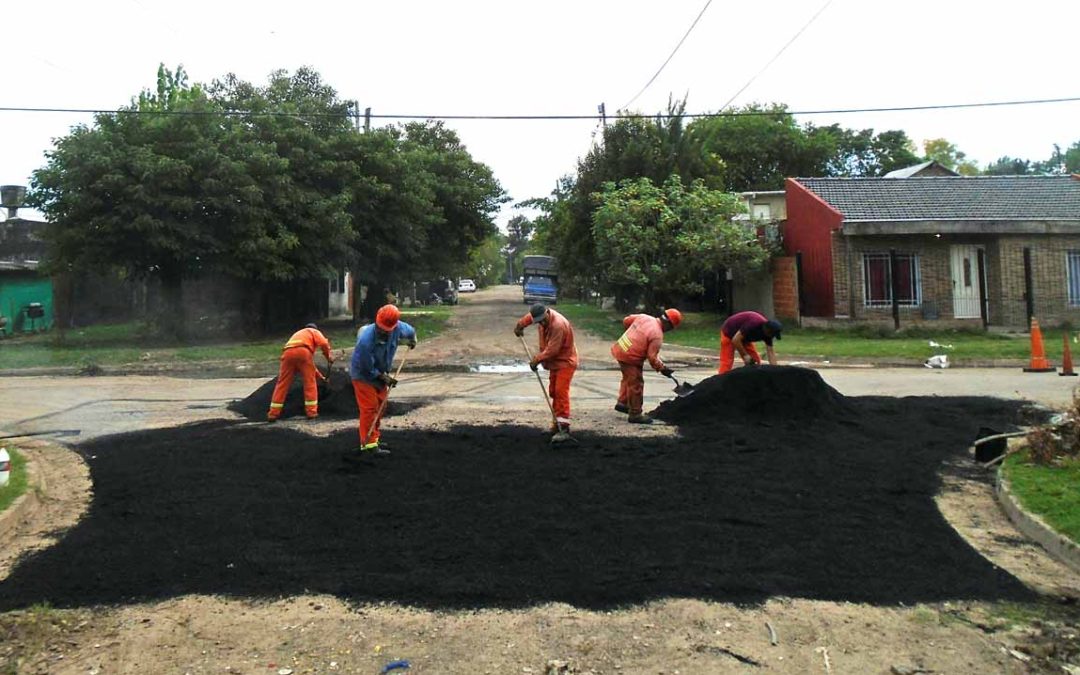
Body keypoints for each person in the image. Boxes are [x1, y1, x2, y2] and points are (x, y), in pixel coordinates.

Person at [350, 304, 416, 455]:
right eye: (380, 328)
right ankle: (368, 446)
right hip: (363, 375)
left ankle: (374, 437)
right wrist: (383, 377)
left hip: (381, 372)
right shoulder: (365, 340)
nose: (382, 331)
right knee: (370, 408)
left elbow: (411, 331)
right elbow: (367, 367)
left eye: (386, 329)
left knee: (381, 407)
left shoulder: (399, 327)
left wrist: (413, 339)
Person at [514, 303, 578, 443]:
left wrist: (536, 360)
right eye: (539, 321)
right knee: (553, 392)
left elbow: (552, 350)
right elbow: (529, 318)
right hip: (555, 363)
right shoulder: (539, 316)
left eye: (543, 320)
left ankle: (564, 428)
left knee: (560, 392)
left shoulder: (558, 325)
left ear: (547, 313)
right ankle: (557, 423)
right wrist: (520, 325)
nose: (542, 323)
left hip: (565, 362)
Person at [610, 308, 682, 425]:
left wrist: (633, 335)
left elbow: (626, 321)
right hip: (630, 357)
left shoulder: (645, 317)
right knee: (636, 383)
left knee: (628, 378)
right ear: (669, 325)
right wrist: (662, 368)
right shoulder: (657, 335)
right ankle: (635, 414)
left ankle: (622, 403)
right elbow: (652, 358)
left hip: (620, 348)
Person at [267, 323, 333, 421]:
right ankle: (311, 412)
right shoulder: (313, 331)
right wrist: (329, 357)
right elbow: (323, 343)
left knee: (282, 384)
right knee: (309, 383)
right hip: (303, 352)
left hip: (287, 354)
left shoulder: (298, 334)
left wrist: (321, 378)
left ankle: (273, 414)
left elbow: (311, 368)